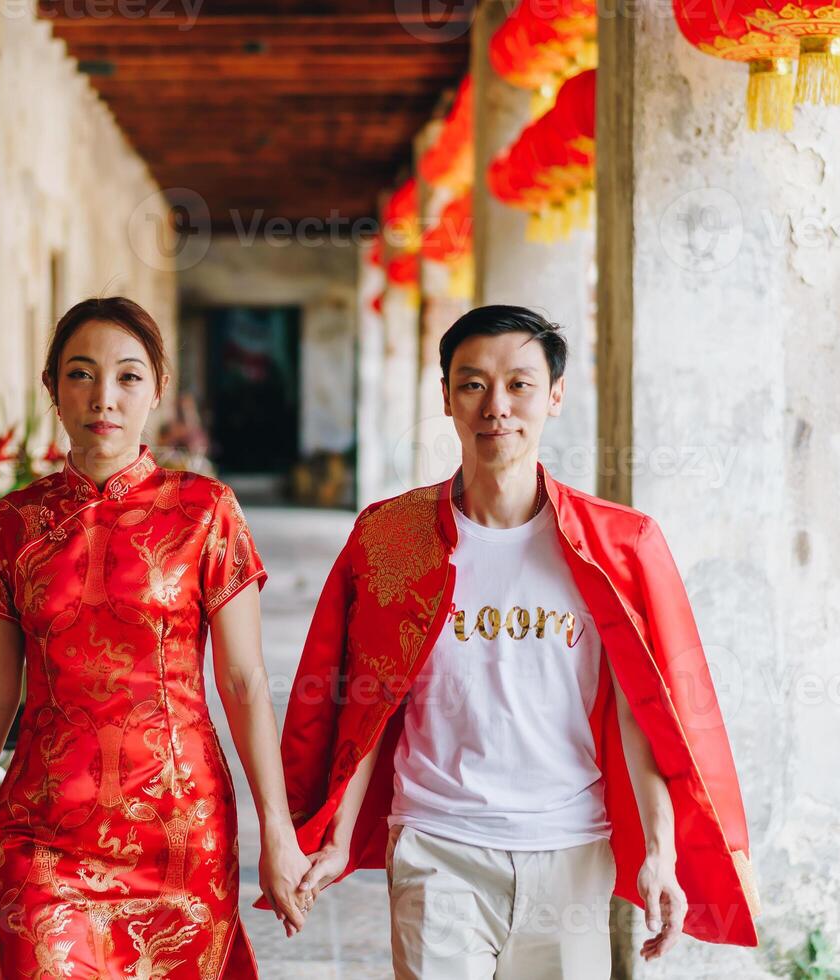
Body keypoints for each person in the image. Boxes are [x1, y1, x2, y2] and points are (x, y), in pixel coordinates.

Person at [278, 305, 761, 978]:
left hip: (571, 850)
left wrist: (660, 850)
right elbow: (365, 693)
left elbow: (643, 712)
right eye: (472, 383)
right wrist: (333, 838)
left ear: (555, 396)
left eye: (519, 385)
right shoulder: (390, 538)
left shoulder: (615, 547)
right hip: (435, 842)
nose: (495, 406)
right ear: (445, 395)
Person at [0, 296, 312, 978]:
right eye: (80, 374)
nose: (104, 396)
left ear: (157, 390)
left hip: (179, 829)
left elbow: (244, 682)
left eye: (128, 376)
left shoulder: (205, 512)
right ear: (52, 388)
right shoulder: (13, 523)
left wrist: (275, 832)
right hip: (40, 831)